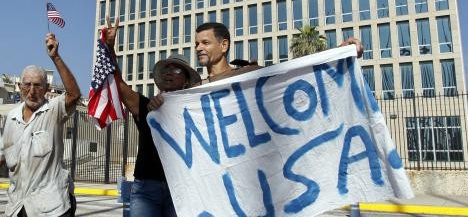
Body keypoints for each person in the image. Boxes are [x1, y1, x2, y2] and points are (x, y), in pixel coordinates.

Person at [0, 33, 82, 217]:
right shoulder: (12, 117)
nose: (32, 91)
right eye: (27, 85)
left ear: (46, 89)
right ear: (20, 87)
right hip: (17, 207)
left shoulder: (53, 110)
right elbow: (2, 152)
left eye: (37, 85)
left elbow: (74, 95)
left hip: (51, 208)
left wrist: (55, 57)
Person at [103, 18, 201, 217]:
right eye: (166, 69)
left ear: (186, 80)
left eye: (175, 69)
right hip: (146, 190)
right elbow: (119, 84)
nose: (168, 73)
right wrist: (110, 48)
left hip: (180, 189)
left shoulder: (196, 111)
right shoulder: (147, 106)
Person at [194, 22, 364, 83]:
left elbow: (294, 72)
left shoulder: (249, 74)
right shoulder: (194, 90)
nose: (198, 48)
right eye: (196, 44)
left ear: (224, 46)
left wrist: (337, 52)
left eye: (205, 43)